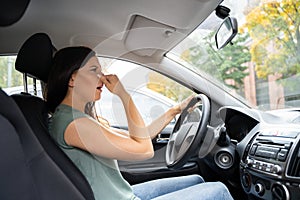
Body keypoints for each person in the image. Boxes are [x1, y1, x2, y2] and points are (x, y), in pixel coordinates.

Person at [47, 46, 233, 200]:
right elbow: (144, 149)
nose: (103, 78)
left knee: (197, 180)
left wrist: (174, 111)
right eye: (94, 70)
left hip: (122, 194)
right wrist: (123, 95)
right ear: (73, 79)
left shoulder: (75, 118)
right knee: (219, 191)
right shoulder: (76, 125)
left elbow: (138, 136)